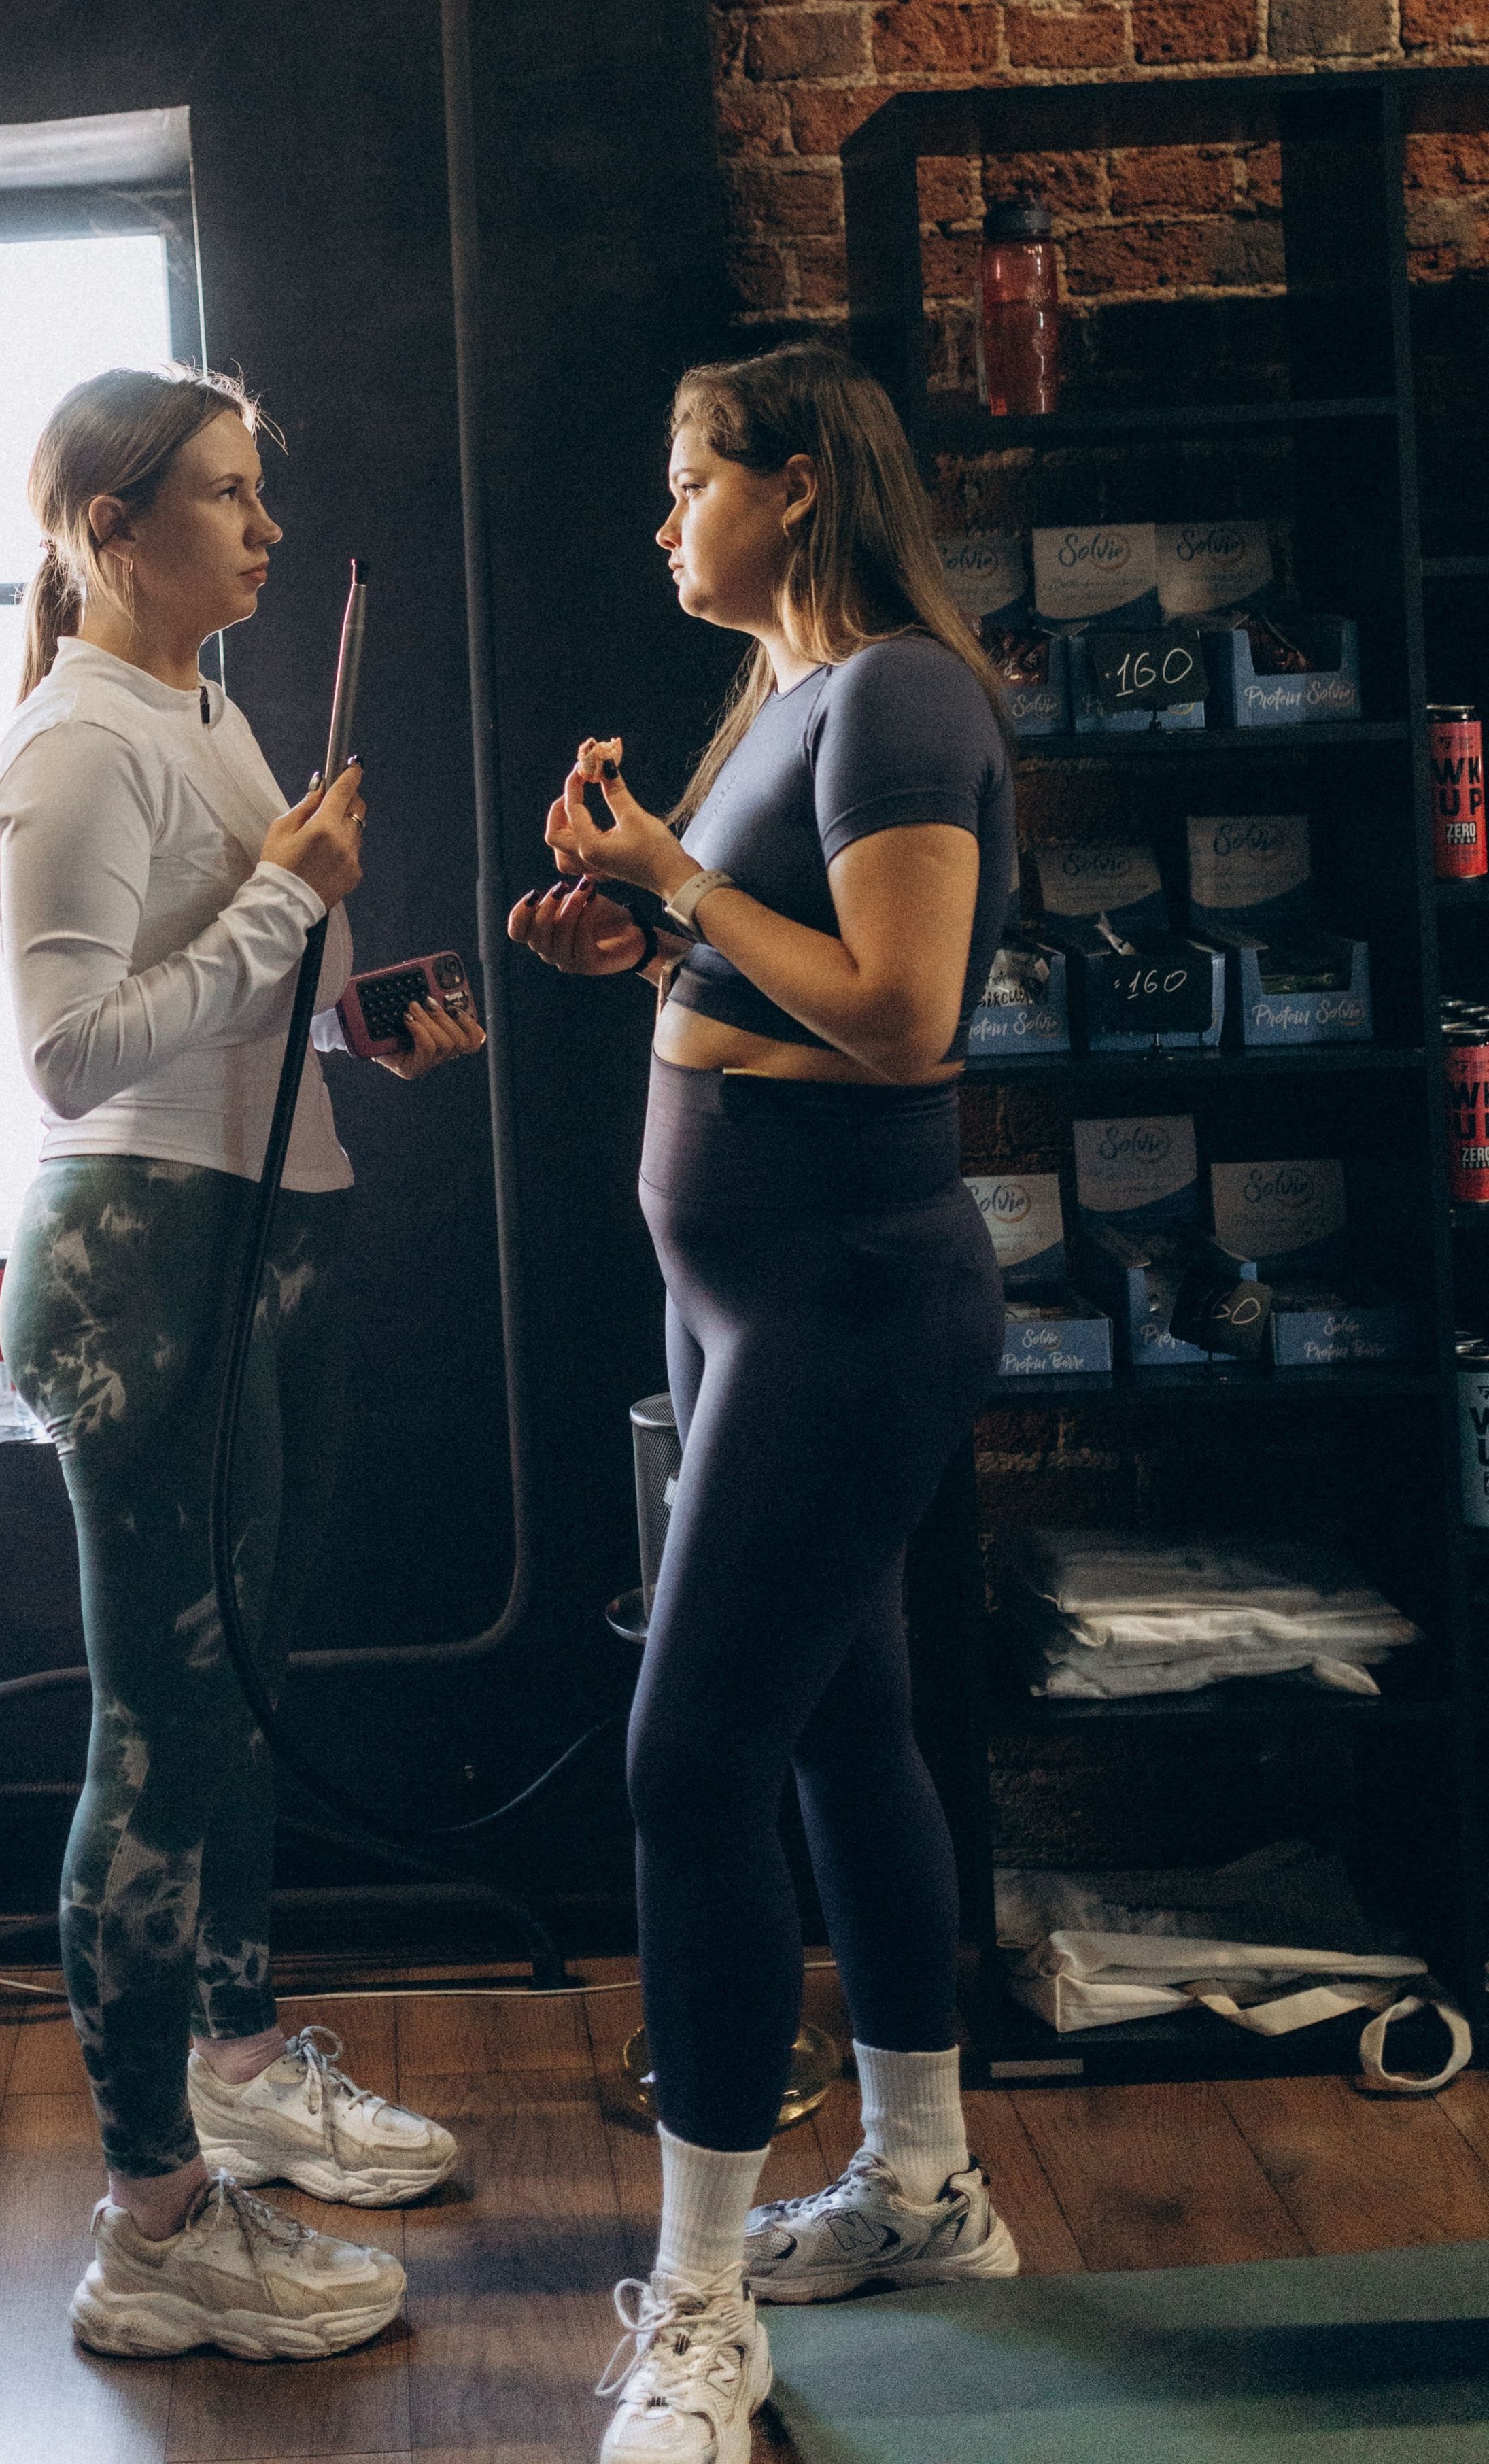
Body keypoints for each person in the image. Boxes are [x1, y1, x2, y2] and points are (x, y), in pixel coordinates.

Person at [509, 342, 1020, 2464]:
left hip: (845, 1293)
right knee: (837, 1729)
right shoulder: (791, 702)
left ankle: (704, 2312)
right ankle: (926, 2193)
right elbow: (782, 987)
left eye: (691, 477)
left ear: (796, 485)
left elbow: (905, 1019)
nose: (666, 518)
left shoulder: (898, 695)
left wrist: (684, 889)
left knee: (689, 1759)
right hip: (747, 1297)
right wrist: (651, 952)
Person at [0, 365, 485, 2363]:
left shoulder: (200, 707)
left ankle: (244, 2068)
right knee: (156, 1732)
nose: (266, 530)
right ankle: (153, 2228)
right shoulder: (76, 740)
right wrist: (288, 894)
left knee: (237, 1694)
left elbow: (244, 1002)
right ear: (111, 530)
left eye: (262, 494)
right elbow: (69, 1058)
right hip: (140, 1264)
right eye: (224, 496)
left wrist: (367, 1012)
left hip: (260, 1234)